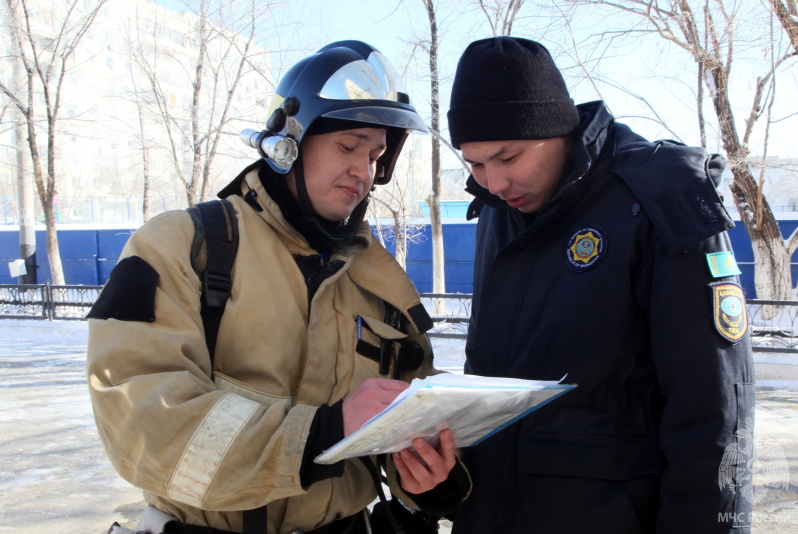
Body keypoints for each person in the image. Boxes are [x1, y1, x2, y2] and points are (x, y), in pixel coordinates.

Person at [86, 40, 469, 534]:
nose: (364, 171)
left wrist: (426, 480)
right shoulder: (184, 246)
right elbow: (141, 424)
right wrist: (321, 434)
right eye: (348, 146)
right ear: (287, 144)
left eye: (375, 154)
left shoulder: (380, 283)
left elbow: (405, 425)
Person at [446, 36, 754, 533]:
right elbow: (488, 380)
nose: (494, 183)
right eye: (475, 164)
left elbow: (713, 409)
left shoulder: (659, 197)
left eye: (508, 156)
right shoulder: (498, 212)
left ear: (556, 130)